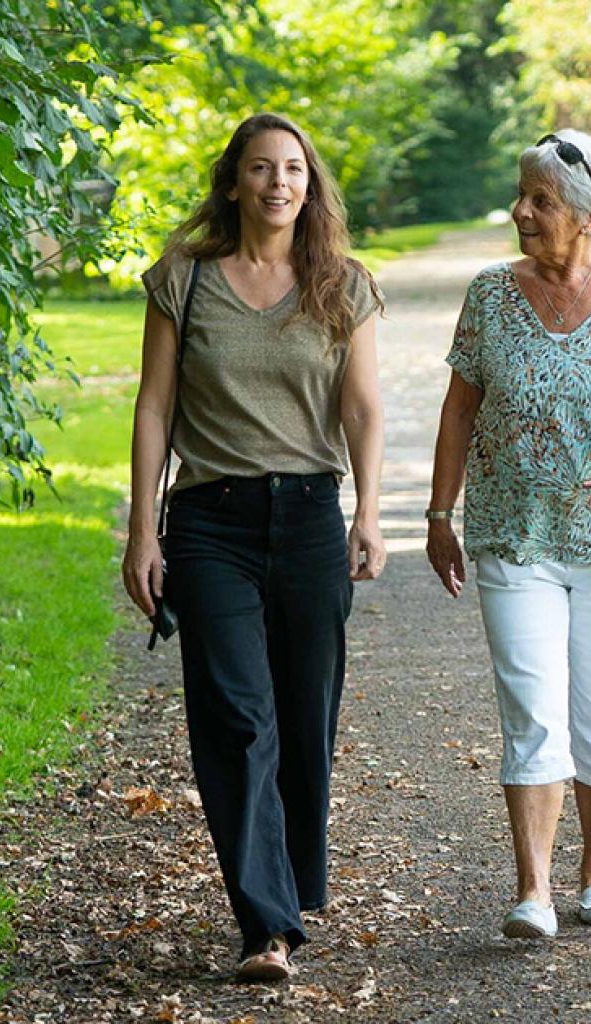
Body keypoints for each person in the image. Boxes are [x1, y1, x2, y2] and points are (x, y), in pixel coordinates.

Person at [121, 112, 386, 981]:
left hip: (310, 516)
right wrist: (140, 531)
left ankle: (291, 882)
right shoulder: (183, 281)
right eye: (262, 168)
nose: (279, 184)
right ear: (233, 180)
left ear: (311, 187)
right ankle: (266, 927)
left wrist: (370, 512)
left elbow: (362, 409)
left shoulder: (343, 284)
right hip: (210, 525)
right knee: (238, 720)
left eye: (295, 171)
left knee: (304, 723)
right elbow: (155, 407)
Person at [426, 129, 591, 938]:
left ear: (590, 216)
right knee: (532, 712)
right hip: (513, 534)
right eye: (522, 195)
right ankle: (532, 890)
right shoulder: (491, 292)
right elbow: (460, 408)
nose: (520, 212)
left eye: (541, 202)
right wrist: (438, 514)